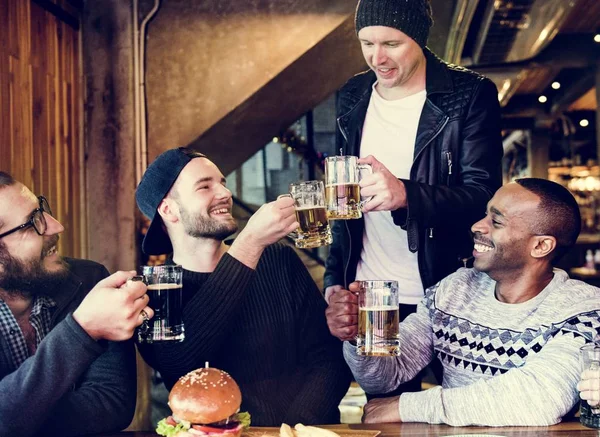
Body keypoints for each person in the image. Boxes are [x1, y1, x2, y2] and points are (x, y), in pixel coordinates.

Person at [324, 0, 503, 395]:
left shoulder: (468, 94)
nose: (377, 58)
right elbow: (343, 205)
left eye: (391, 43)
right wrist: (336, 281)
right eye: (366, 43)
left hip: (450, 289)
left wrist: (406, 194)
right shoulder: (353, 95)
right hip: (372, 293)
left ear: (419, 39)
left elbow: (484, 198)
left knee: (464, 406)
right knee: (383, 410)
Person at [329, 178, 600, 426]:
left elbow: (539, 397)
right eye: (485, 214)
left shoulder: (583, 309)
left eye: (496, 222)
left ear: (541, 246)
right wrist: (361, 335)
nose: (476, 226)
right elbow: (384, 377)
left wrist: (407, 406)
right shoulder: (454, 289)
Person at [134, 147, 351, 426]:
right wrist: (250, 242)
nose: (225, 193)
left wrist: (292, 431)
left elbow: (329, 359)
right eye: (204, 186)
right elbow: (181, 367)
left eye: (222, 183)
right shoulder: (156, 291)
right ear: (169, 209)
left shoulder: (277, 259)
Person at [0, 172, 154, 436]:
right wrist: (82, 329)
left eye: (41, 209)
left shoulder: (89, 280)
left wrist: (23, 416)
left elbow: (112, 403)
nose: (55, 226)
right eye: (32, 223)